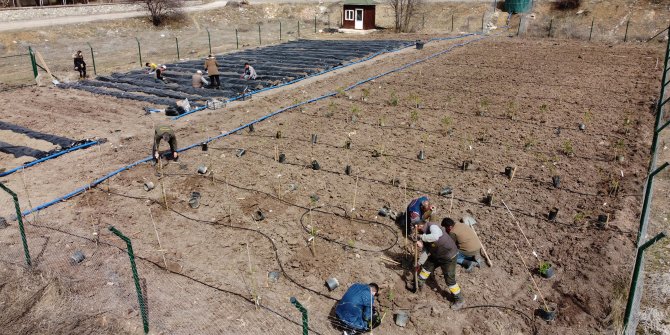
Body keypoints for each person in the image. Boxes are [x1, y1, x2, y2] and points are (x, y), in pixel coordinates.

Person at [415, 221, 464, 310]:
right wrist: (419, 263)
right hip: (437, 255)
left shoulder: (432, 226)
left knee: (449, 279)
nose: (417, 230)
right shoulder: (424, 234)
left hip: (449, 256)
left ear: (420, 225)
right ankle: (418, 284)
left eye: (417, 227)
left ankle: (459, 299)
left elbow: (435, 236)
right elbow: (425, 252)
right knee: (426, 267)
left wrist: (421, 237)